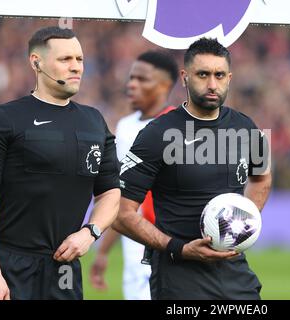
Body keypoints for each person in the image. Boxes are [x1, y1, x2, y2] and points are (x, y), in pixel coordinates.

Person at [113, 38, 272, 300]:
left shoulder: (246, 127)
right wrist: (179, 248)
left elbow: (262, 177)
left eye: (219, 75)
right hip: (179, 276)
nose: (212, 84)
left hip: (234, 272)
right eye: (203, 74)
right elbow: (120, 213)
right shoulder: (157, 133)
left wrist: (242, 225)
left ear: (229, 77)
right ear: (185, 77)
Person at [0, 26, 120, 300]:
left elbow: (110, 192)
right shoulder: (4, 119)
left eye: (80, 59)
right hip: (10, 266)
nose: (77, 67)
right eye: (66, 60)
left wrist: (90, 233)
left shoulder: (94, 121)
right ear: (36, 63)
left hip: (65, 270)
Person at [89, 51, 178, 300]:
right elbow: (120, 194)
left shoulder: (179, 128)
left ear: (165, 85)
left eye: (141, 79)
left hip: (163, 239)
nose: (131, 85)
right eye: (131, 78)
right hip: (132, 238)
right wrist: (103, 251)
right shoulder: (126, 126)